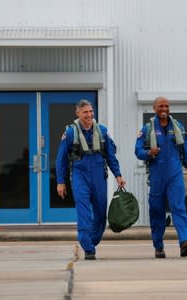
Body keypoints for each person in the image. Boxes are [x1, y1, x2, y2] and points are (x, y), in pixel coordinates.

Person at [56, 99, 126, 260]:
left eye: (91, 111)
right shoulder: (71, 133)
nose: (89, 114)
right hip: (80, 175)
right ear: (78, 113)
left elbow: (110, 155)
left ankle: (92, 241)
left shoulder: (101, 131)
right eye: (85, 112)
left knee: (101, 212)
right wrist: (61, 182)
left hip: (99, 176)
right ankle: (87, 247)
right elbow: (61, 159)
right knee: (83, 210)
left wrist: (118, 175)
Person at [135, 96, 187, 258]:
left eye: (167, 106)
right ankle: (158, 246)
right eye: (161, 106)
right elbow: (138, 151)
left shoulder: (178, 127)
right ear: (154, 108)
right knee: (157, 211)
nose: (164, 109)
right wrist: (149, 152)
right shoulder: (147, 129)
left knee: (179, 207)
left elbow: (185, 152)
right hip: (157, 175)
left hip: (175, 174)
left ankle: (185, 241)